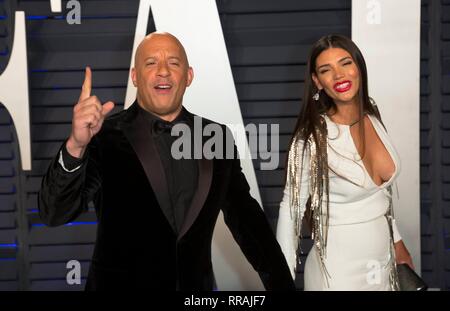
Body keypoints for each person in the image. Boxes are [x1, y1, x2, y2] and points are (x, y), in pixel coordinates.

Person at [38, 32, 295, 291]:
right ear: (135, 76)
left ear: (189, 76)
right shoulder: (103, 136)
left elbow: (247, 221)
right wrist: (76, 145)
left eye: (173, 63)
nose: (163, 71)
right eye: (151, 63)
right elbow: (54, 213)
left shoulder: (215, 137)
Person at [276, 34, 414, 290]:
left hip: (383, 266)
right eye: (326, 70)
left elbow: (381, 195)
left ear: (358, 68)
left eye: (345, 63)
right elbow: (291, 210)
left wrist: (397, 243)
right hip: (337, 275)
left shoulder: (372, 114)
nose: (339, 75)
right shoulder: (311, 137)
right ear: (318, 82)